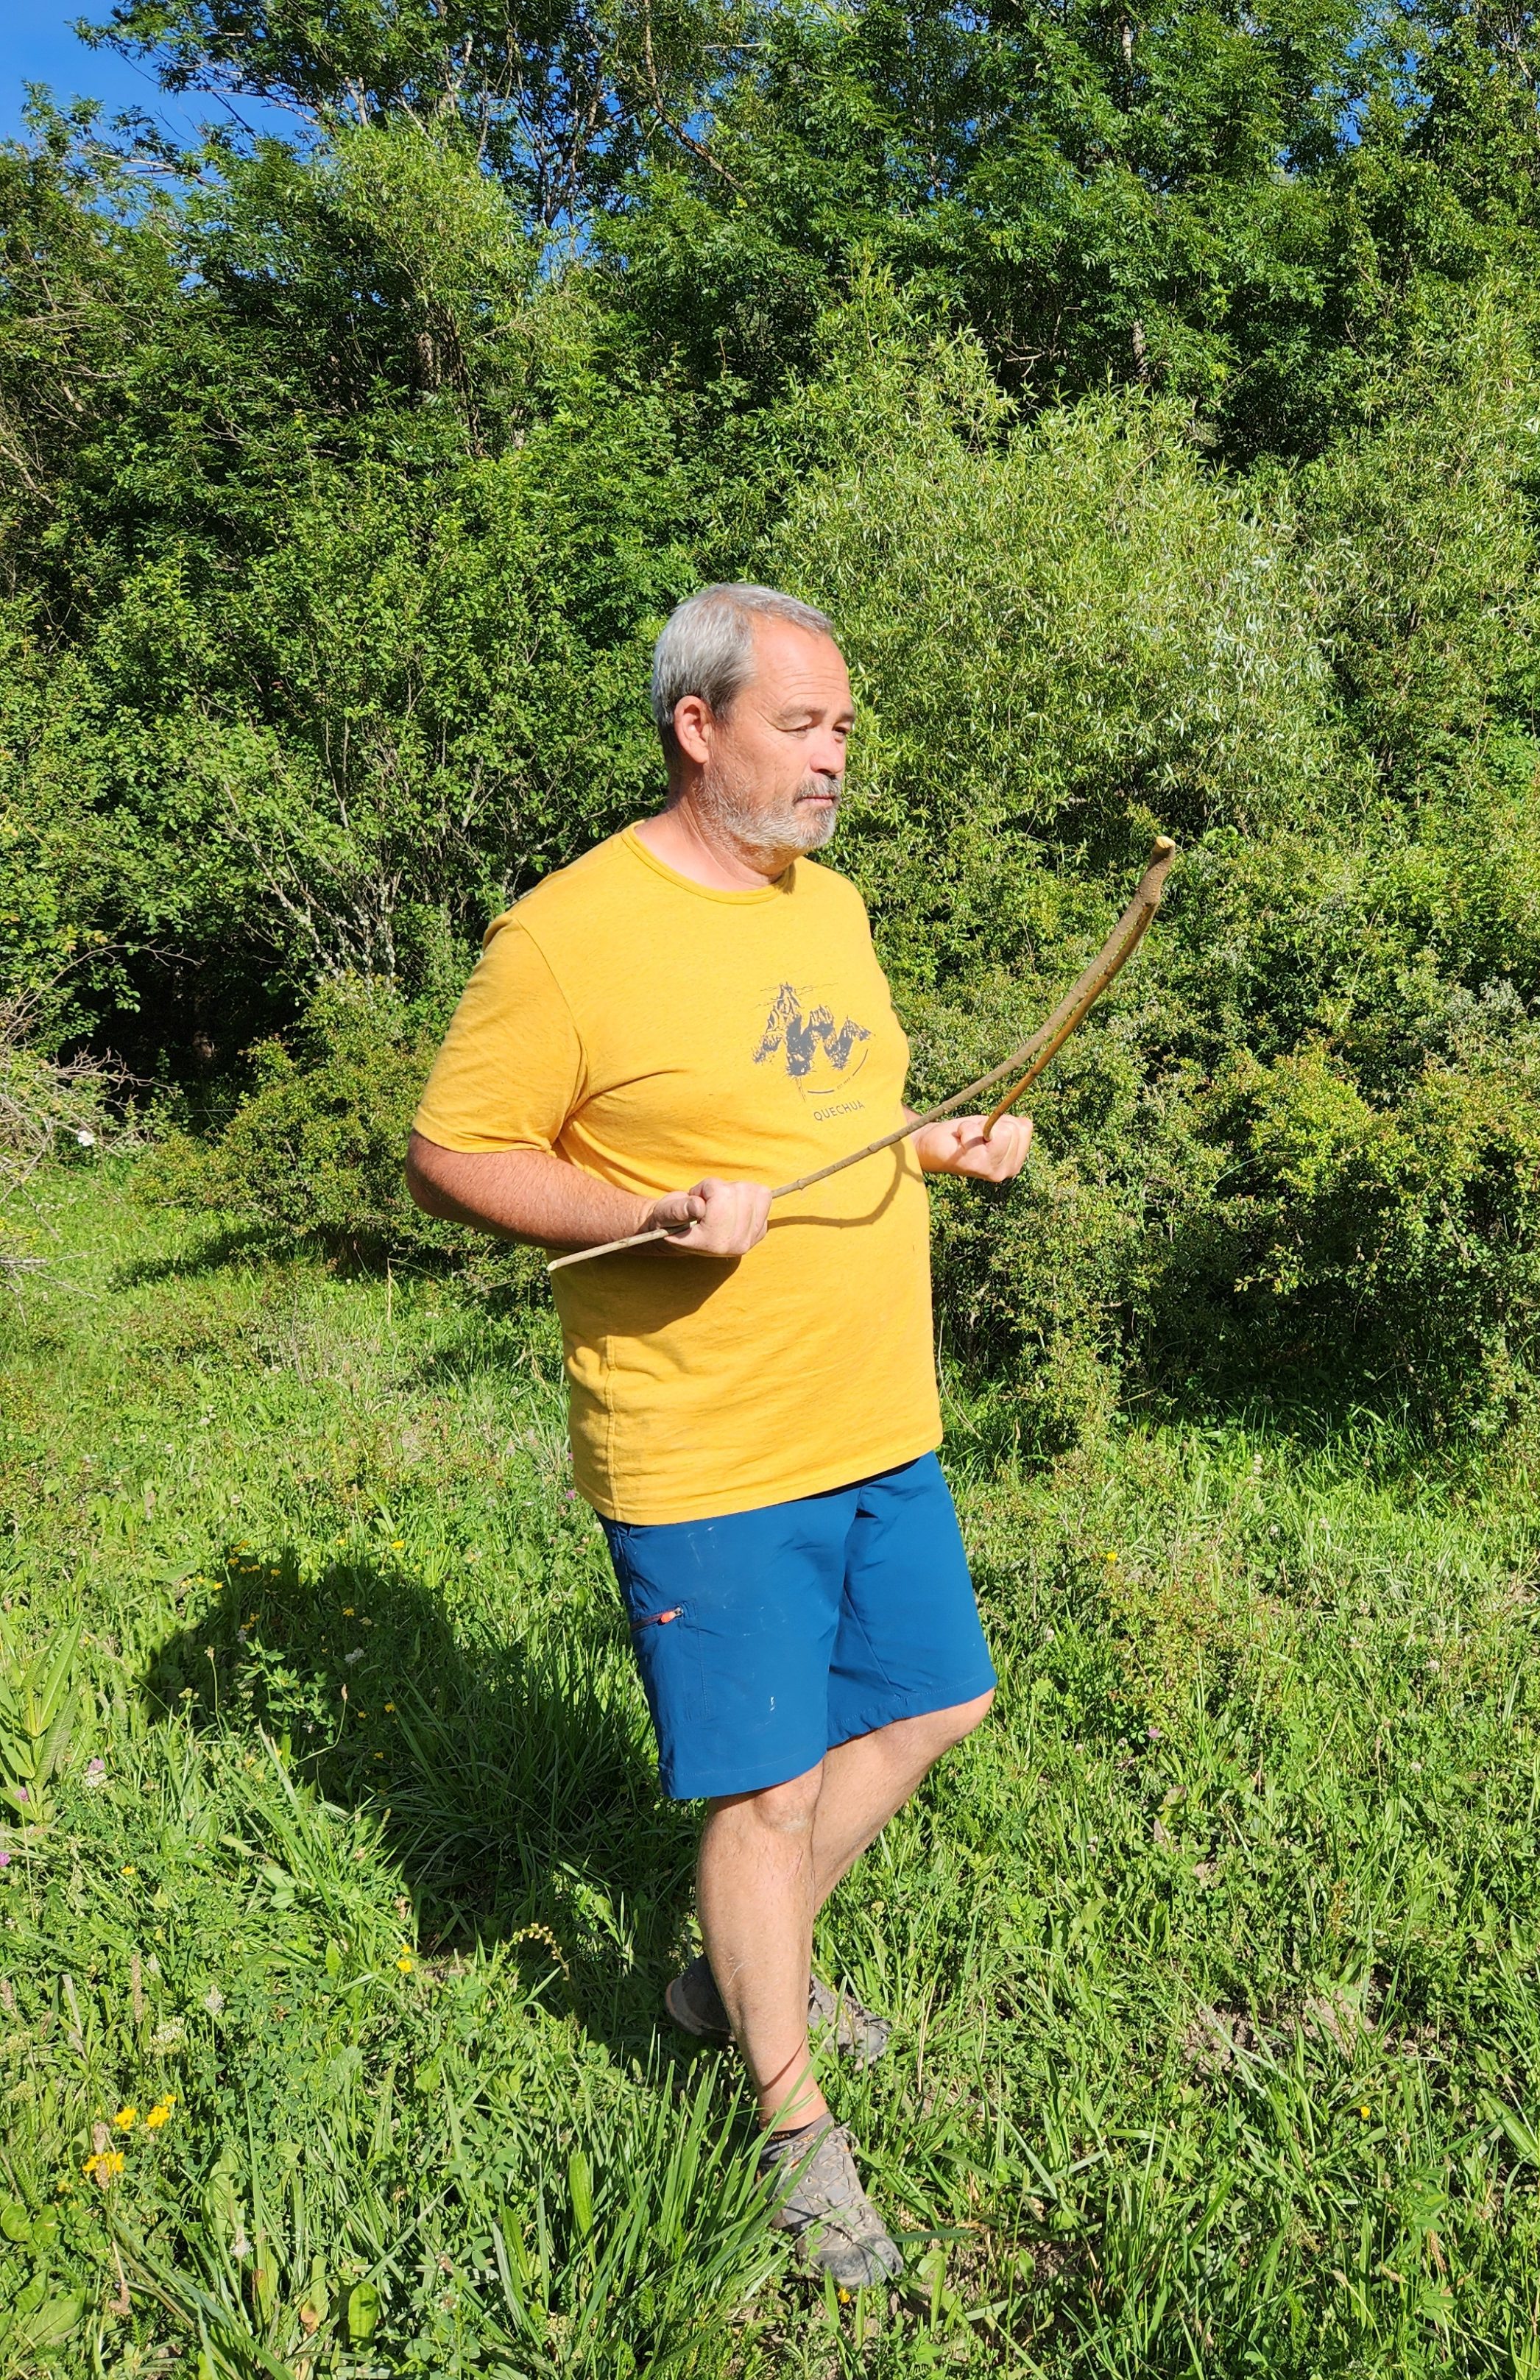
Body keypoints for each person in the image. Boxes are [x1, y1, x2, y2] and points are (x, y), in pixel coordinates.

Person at [405, 582, 1032, 2289]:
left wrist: (937, 1144)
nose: (835, 764)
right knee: (759, 1797)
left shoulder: (826, 908)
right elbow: (453, 1153)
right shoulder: (567, 934)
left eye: (841, 731)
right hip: (707, 1441)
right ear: (701, 728)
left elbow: (839, 1116)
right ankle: (789, 2118)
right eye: (803, 728)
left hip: (873, 1409)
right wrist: (645, 1209)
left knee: (939, 1698)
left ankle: (724, 1967)